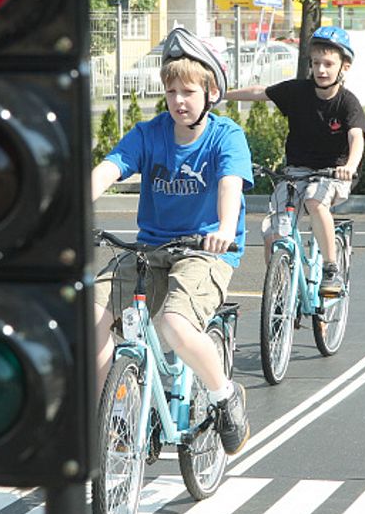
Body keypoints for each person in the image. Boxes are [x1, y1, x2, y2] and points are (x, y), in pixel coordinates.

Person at [92, 26, 254, 455]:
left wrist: (223, 227)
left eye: (188, 91)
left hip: (205, 251)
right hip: (152, 248)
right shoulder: (151, 134)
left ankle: (224, 396)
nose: (179, 101)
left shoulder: (225, 137)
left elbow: (230, 184)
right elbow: (110, 168)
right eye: (171, 92)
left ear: (211, 93)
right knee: (89, 320)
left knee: (175, 325)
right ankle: (113, 418)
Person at [224, 25, 365, 296]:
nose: (321, 70)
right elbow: (260, 91)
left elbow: (356, 137)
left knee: (315, 200)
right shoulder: (298, 92)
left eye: (328, 64)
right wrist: (220, 96)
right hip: (296, 171)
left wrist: (349, 167)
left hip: (332, 174)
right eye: (316, 63)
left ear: (344, 68)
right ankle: (281, 286)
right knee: (272, 230)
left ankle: (330, 268)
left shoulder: (347, 103)